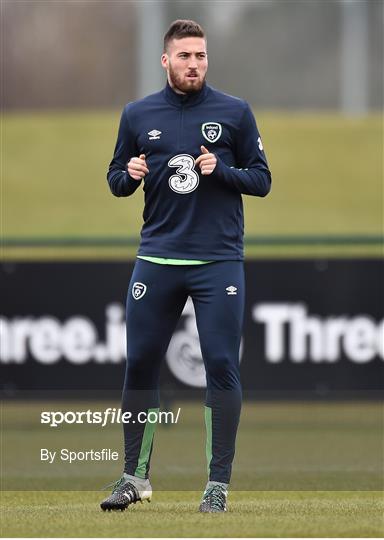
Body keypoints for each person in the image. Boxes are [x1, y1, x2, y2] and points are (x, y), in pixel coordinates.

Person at [101, 19, 271, 513]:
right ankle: (134, 477)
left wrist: (223, 172)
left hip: (217, 262)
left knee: (220, 364)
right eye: (184, 56)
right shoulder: (138, 114)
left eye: (200, 56)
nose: (193, 63)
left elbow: (261, 180)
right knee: (140, 364)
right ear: (166, 60)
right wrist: (127, 174)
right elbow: (115, 178)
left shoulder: (234, 113)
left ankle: (217, 485)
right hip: (156, 259)